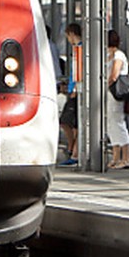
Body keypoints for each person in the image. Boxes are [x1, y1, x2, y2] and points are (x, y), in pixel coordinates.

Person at [105, 29, 129, 170]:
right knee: (111, 124)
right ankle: (116, 158)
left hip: (115, 94)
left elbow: (114, 75)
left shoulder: (118, 55)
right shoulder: (109, 55)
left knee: (118, 122)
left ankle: (126, 158)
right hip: (109, 94)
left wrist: (104, 84)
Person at [58, 23, 83, 167]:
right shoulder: (77, 49)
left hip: (77, 91)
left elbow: (78, 72)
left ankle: (73, 150)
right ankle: (73, 150)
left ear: (72, 34)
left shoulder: (79, 49)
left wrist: (73, 88)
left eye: (67, 36)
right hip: (75, 89)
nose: (67, 39)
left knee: (67, 120)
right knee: (74, 124)